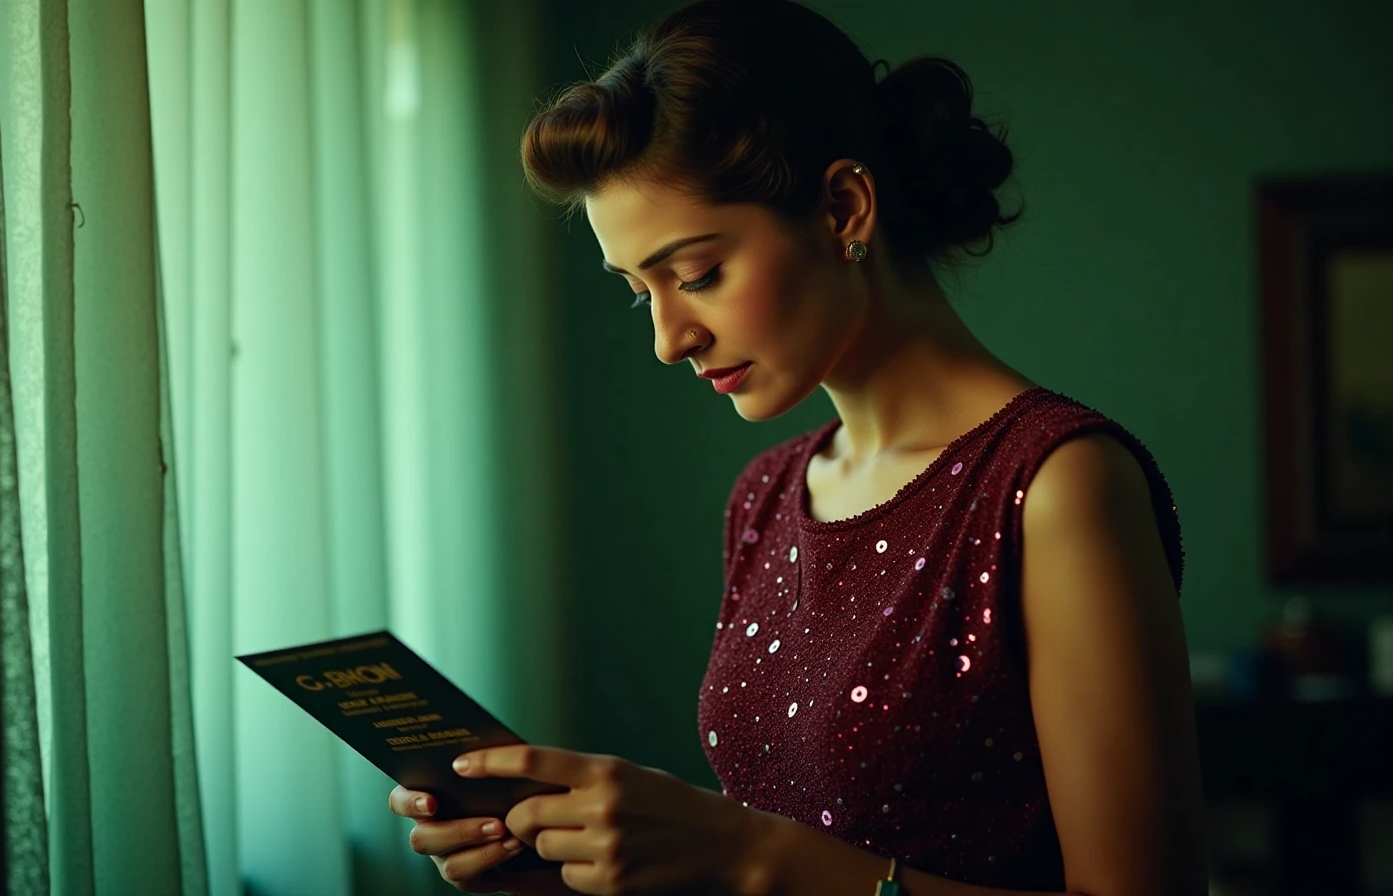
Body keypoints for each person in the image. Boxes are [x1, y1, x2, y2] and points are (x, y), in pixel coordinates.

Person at [387, 1, 1209, 893]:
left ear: (843, 207)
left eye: (696, 274)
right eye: (638, 291)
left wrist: (746, 855)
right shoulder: (769, 494)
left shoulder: (1057, 485)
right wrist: (562, 858)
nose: (668, 338)